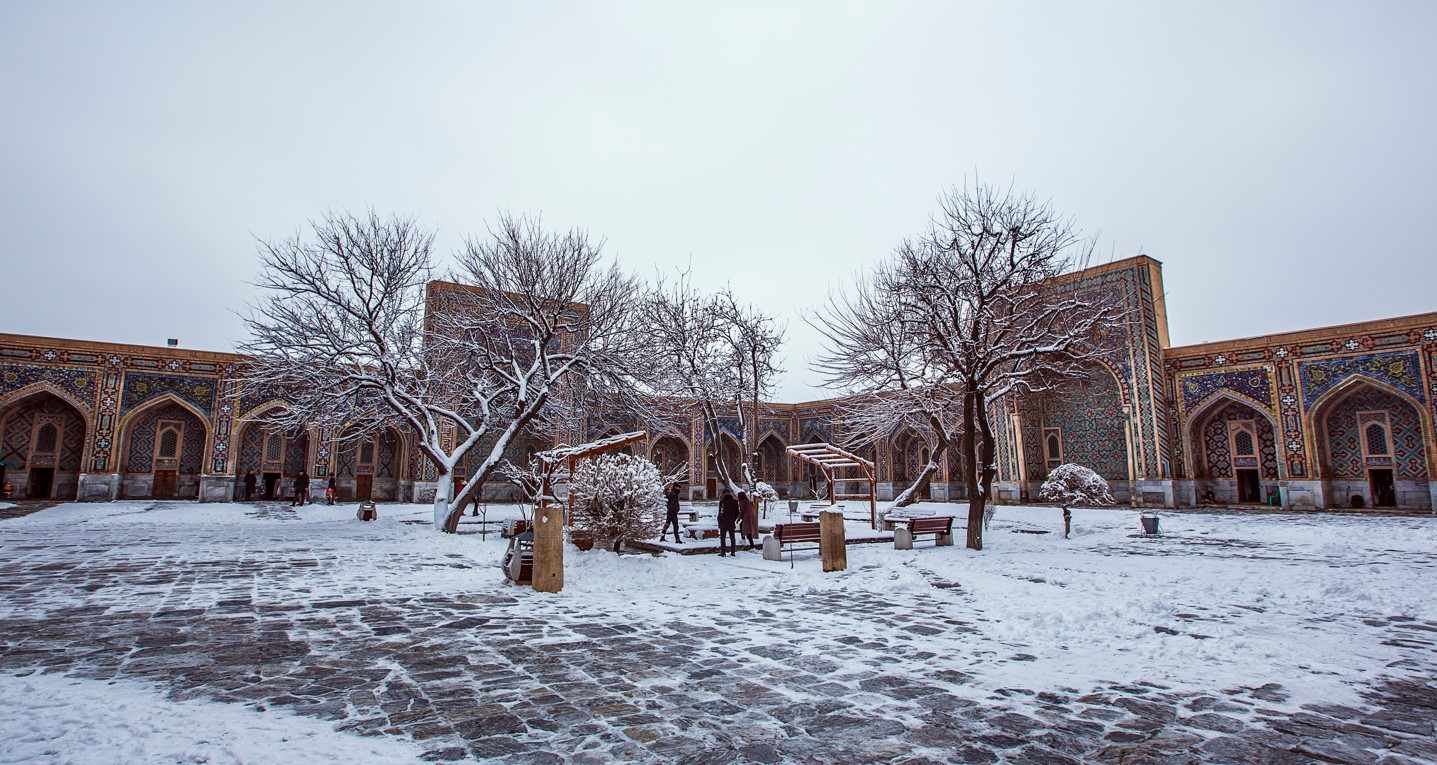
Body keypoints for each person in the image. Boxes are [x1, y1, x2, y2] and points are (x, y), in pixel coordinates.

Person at [717, 490, 740, 556]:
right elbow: (737, 512)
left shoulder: (722, 502)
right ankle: (733, 551)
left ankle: (723, 552)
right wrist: (733, 519)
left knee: (723, 538)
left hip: (723, 521)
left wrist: (719, 520)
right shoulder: (735, 502)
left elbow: (721, 512)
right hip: (731, 521)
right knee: (732, 537)